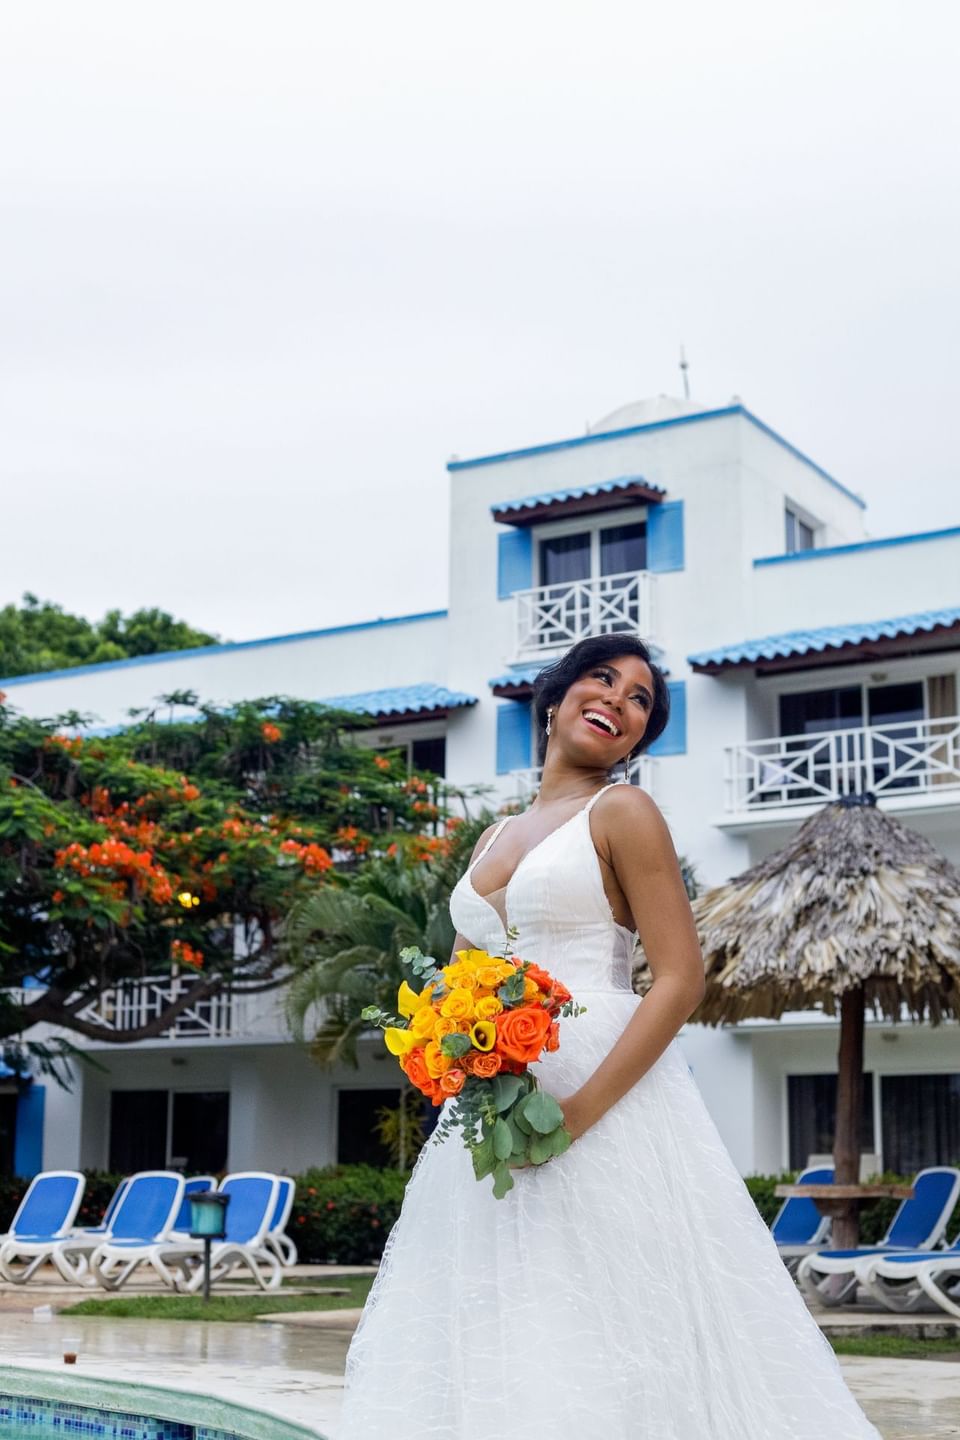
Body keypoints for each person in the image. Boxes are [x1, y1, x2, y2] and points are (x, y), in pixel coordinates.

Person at [336, 635, 881, 1440]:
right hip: (490, 1101)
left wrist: (579, 1115)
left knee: (607, 1305)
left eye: (640, 703)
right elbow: (460, 977)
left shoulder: (622, 812)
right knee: (493, 1301)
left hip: (601, 1089)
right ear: (552, 702)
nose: (620, 702)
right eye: (603, 680)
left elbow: (680, 977)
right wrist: (443, 1047)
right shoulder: (491, 838)